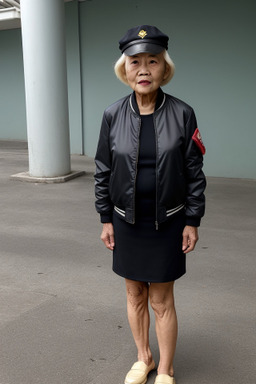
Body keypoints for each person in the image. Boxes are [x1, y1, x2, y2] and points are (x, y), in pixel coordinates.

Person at [94, 25, 206, 384]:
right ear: (124, 69)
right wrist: (105, 218)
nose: (143, 69)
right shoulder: (112, 115)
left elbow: (194, 172)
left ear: (164, 69)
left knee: (161, 299)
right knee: (134, 293)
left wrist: (192, 219)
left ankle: (166, 369)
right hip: (126, 220)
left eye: (152, 61)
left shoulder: (183, 113)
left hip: (167, 220)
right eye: (135, 62)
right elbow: (102, 170)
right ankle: (143, 359)